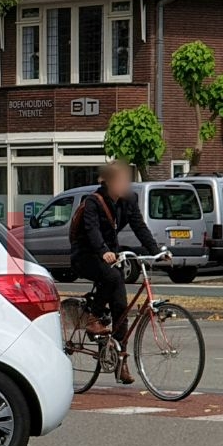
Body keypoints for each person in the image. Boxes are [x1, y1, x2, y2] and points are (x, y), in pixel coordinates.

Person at [69, 160, 159, 384]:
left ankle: (120, 360)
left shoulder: (129, 200)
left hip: (110, 255)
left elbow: (140, 227)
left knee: (121, 305)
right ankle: (93, 316)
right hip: (86, 255)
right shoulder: (93, 202)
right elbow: (92, 231)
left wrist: (157, 251)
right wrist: (103, 252)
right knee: (111, 276)